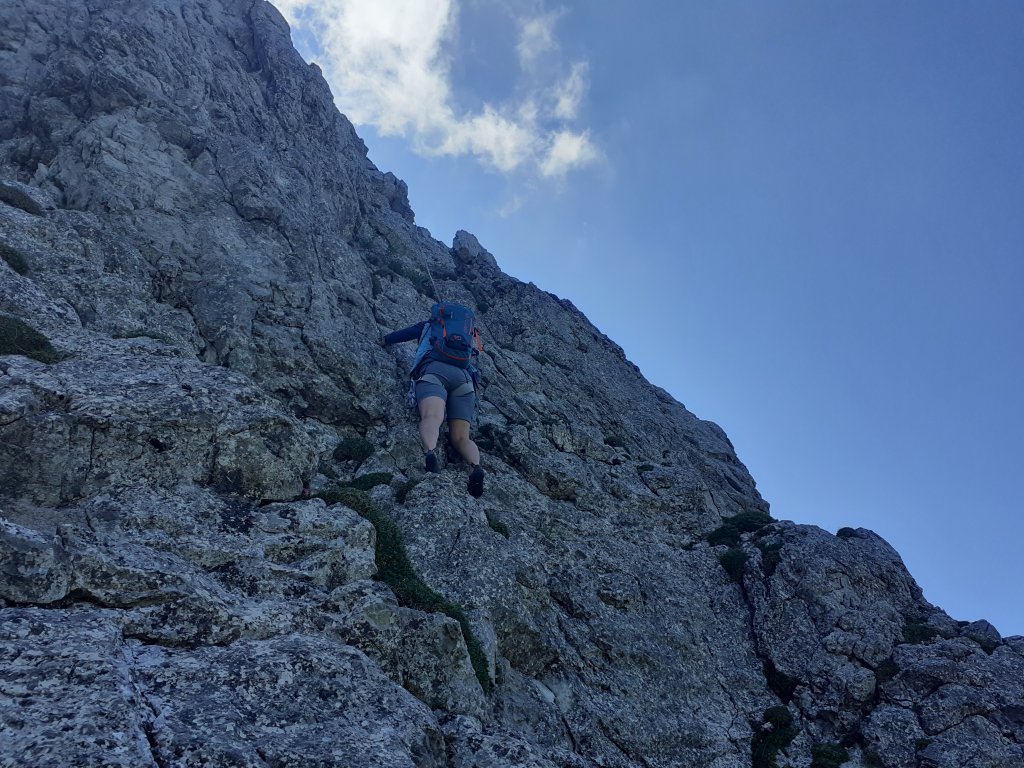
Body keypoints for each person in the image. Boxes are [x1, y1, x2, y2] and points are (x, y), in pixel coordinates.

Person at [380, 308, 485, 498]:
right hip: (465, 379)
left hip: (434, 370)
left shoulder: (429, 326)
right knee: (461, 437)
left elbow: (403, 335)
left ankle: (430, 453)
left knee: (432, 417)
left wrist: (384, 339)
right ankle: (476, 467)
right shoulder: (466, 333)